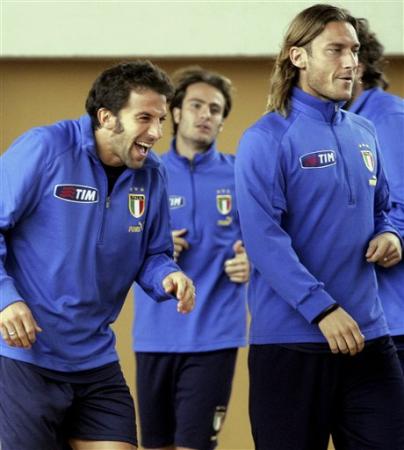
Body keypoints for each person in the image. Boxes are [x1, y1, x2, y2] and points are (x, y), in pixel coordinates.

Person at [0, 60, 195, 450]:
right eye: (144, 118)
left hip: (95, 359)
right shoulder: (45, 149)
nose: (156, 133)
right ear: (106, 117)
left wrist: (167, 276)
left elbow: (154, 253)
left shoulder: (152, 174)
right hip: (24, 356)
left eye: (160, 120)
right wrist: (5, 298)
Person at [235, 4, 404, 450]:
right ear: (298, 57)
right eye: (335, 50)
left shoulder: (364, 131)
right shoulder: (266, 138)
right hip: (292, 344)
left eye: (354, 51)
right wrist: (322, 310)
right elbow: (263, 239)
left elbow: (384, 209)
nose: (350, 62)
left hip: (370, 339)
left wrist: (391, 235)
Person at [133, 67, 249, 450]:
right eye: (197, 105)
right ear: (177, 112)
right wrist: (154, 245)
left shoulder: (241, 174)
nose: (206, 115)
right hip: (154, 337)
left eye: (215, 109)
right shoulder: (145, 173)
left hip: (214, 336)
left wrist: (253, 264)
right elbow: (117, 246)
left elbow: (272, 240)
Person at [346, 18, 404, 373]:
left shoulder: (385, 116)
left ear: (359, 66)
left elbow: (401, 202)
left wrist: (393, 235)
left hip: (394, 316)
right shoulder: (340, 124)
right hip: (361, 317)